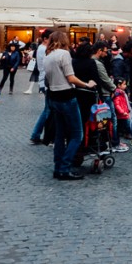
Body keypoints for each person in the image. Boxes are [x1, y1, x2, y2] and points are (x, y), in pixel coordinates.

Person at [41, 30, 97, 180]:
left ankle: (58, 167)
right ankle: (65, 168)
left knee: (60, 135)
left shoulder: (48, 56)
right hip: (66, 96)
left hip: (53, 96)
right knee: (76, 135)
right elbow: (71, 78)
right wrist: (87, 84)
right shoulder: (64, 54)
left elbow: (47, 80)